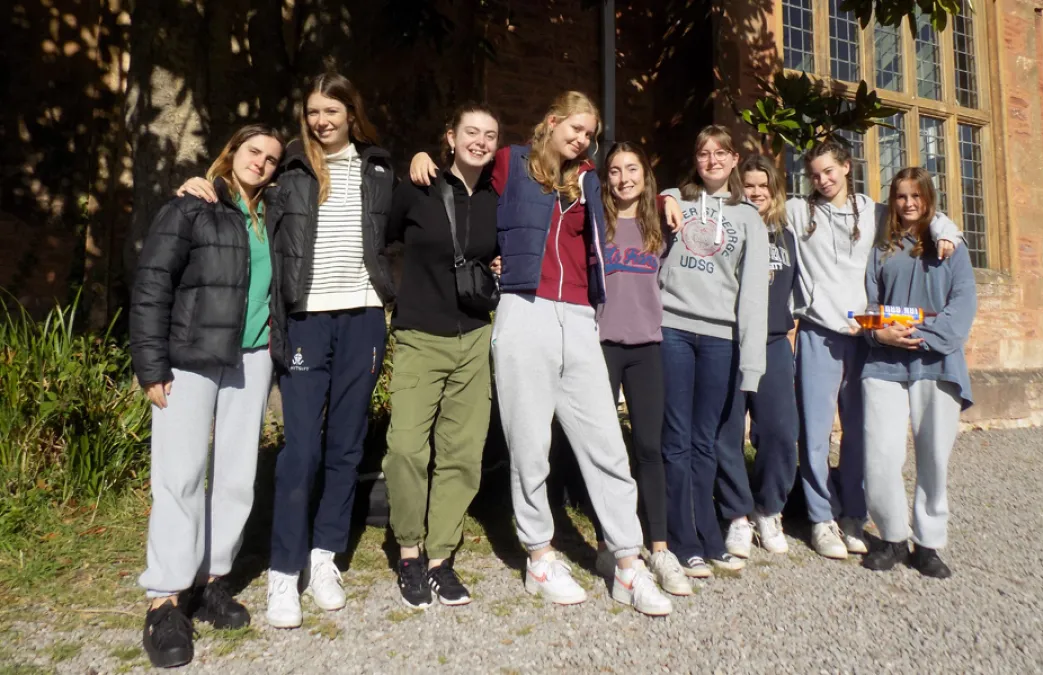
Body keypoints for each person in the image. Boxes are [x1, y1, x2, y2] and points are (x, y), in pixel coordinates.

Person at [410, 91, 678, 616]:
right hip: (524, 308)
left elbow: (635, 188)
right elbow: (461, 170)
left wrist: (671, 196)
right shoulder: (510, 162)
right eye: (575, 128)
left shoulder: (591, 179)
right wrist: (425, 157)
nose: (582, 139)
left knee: (606, 443)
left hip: (579, 317)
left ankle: (627, 562)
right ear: (552, 121)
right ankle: (539, 556)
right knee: (530, 444)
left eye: (589, 134)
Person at [179, 72, 395, 627]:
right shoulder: (291, 168)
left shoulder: (379, 168)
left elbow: (406, 227)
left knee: (346, 443)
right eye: (313, 111)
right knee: (300, 448)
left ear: (351, 113)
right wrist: (202, 184)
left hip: (364, 316)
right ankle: (283, 569)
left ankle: (324, 557)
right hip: (305, 318)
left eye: (331, 111)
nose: (321, 121)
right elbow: (241, 197)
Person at [131, 123, 284, 668]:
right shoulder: (193, 206)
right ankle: (165, 599)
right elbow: (153, 283)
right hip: (190, 357)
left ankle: (211, 579)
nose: (260, 162)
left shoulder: (273, 216)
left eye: (271, 158)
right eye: (252, 151)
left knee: (237, 475)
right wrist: (150, 364)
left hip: (252, 357)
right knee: (181, 475)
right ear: (232, 152)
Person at [787, 138, 961, 560]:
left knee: (861, 435)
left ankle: (853, 513)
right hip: (819, 332)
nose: (822, 180)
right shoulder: (798, 211)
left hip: (866, 337)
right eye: (814, 174)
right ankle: (821, 517)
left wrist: (947, 230)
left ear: (847, 167)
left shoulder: (875, 212)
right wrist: (670, 198)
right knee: (814, 433)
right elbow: (755, 199)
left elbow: (919, 213)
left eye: (829, 171)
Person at [382, 102, 502, 609]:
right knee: (406, 448)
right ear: (450, 137)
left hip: (474, 336)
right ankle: (409, 551)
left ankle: (439, 558)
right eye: (471, 131)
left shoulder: (497, 197)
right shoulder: (418, 187)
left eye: (489, 135)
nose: (480, 141)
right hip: (420, 335)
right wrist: (392, 296)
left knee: (463, 453)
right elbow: (382, 239)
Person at [658, 125, 768, 576]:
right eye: (704, 153)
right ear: (695, 159)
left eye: (721, 153)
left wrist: (752, 365)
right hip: (673, 330)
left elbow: (754, 294)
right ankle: (680, 537)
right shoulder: (676, 201)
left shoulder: (749, 218)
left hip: (721, 337)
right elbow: (639, 200)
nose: (712, 160)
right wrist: (664, 196)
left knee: (706, 441)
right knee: (675, 437)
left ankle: (708, 531)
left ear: (734, 159)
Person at [860, 167, 976, 578]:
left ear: (928, 198)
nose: (909, 203)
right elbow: (870, 303)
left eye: (916, 196)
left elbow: (962, 306)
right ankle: (893, 537)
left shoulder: (950, 246)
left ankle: (928, 544)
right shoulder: (882, 248)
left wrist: (921, 337)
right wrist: (879, 334)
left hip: (937, 363)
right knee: (880, 455)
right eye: (901, 196)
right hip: (884, 362)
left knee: (933, 457)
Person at [591, 141, 691, 596]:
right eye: (615, 170)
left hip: (647, 346)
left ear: (645, 175)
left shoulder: (661, 224)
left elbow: (689, 197)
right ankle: (607, 542)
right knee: (603, 449)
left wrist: (667, 196)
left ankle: (660, 546)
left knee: (650, 446)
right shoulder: (596, 221)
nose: (624, 178)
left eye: (632, 169)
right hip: (602, 346)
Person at [733, 154, 799, 555]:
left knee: (780, 431)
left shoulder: (788, 234)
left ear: (775, 191)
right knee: (726, 434)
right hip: (728, 340)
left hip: (773, 341)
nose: (756, 192)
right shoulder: (727, 227)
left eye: (764, 186)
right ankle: (735, 515)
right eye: (749, 185)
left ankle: (768, 507)